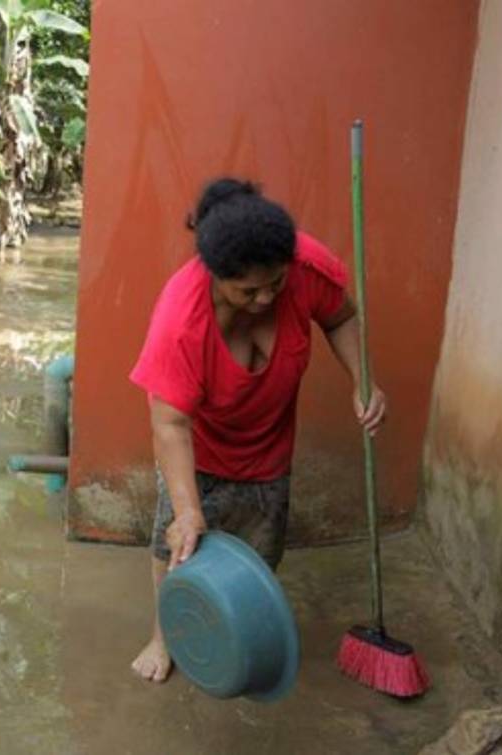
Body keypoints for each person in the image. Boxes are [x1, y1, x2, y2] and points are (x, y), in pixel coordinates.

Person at [128, 178, 387, 682]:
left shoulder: (300, 265)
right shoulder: (181, 321)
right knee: (176, 546)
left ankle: (236, 630)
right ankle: (164, 637)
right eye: (248, 290)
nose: (267, 296)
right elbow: (170, 423)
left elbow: (340, 317)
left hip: (268, 444)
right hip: (196, 449)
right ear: (216, 276)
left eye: (275, 283)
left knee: (259, 556)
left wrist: (363, 380)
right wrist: (188, 510)